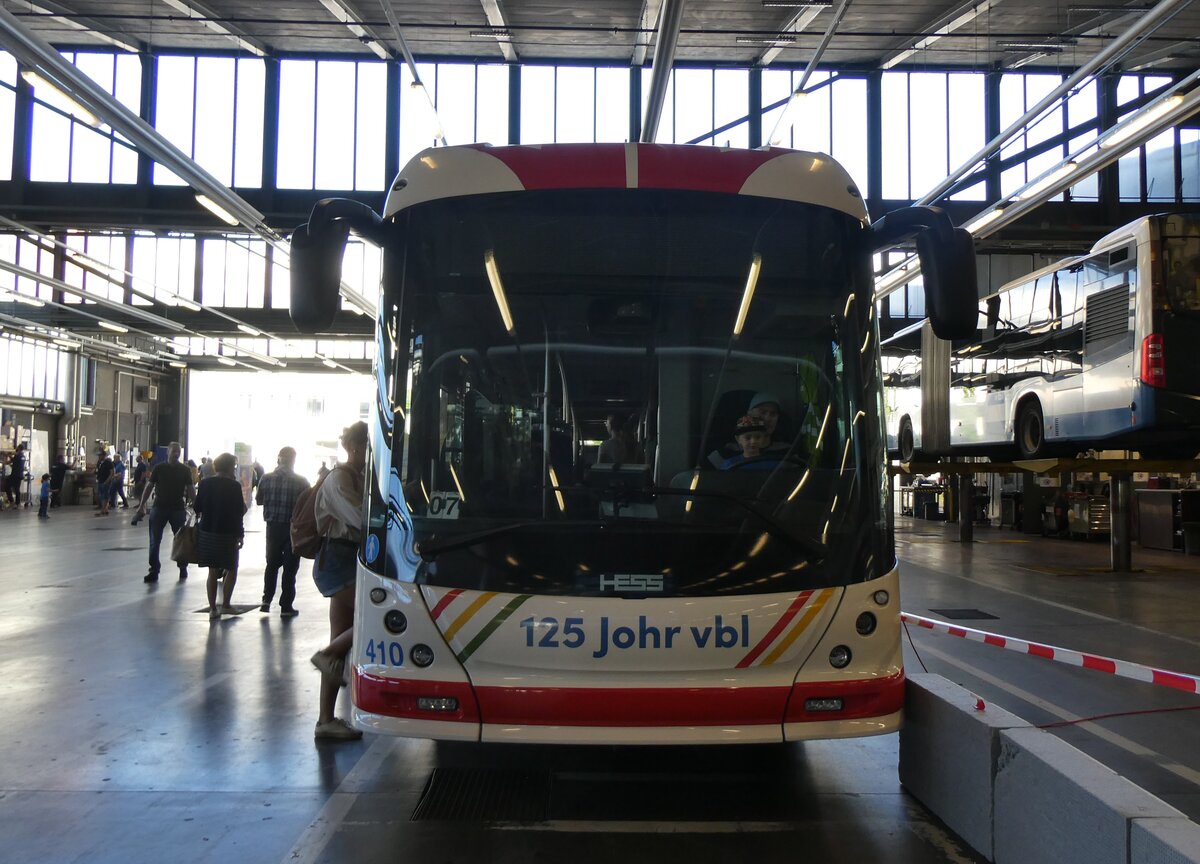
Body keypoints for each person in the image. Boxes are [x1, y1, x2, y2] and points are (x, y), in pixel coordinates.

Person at [309, 421, 367, 741]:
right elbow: (360, 518)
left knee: (341, 639)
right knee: (373, 617)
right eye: (370, 447)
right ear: (355, 447)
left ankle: (325, 720)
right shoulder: (340, 478)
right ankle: (325, 653)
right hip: (337, 560)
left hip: (347, 559)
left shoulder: (358, 476)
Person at [255, 446, 310, 616]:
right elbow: (307, 505)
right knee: (290, 567)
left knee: (272, 564)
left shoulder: (266, 478)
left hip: (273, 527)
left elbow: (258, 501)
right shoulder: (302, 481)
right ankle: (286, 606)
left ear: (278, 458)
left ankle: (266, 601)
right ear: (294, 460)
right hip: (293, 529)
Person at [194, 452, 247, 620]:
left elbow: (197, 507)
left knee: (212, 571)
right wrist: (240, 534)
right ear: (230, 466)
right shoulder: (234, 486)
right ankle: (226, 605)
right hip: (227, 533)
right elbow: (239, 512)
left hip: (207, 532)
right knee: (231, 568)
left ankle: (212, 609)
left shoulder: (205, 483)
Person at [135, 442, 195, 583]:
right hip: (159, 508)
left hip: (178, 509)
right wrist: (142, 505)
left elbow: (191, 489)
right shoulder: (159, 468)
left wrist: (197, 506)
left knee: (181, 540)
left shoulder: (185, 470)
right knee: (154, 541)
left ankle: (182, 567)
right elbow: (149, 486)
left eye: (178, 451)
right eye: (174, 451)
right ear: (168, 452)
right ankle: (154, 570)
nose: (176, 454)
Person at [95, 451, 114, 516]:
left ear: (104, 456)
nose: (99, 457)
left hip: (105, 482)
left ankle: (103, 510)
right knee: (101, 496)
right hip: (100, 481)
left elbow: (112, 472)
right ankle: (105, 510)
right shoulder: (101, 463)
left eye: (100, 455)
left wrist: (107, 481)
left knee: (105, 496)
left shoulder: (108, 463)